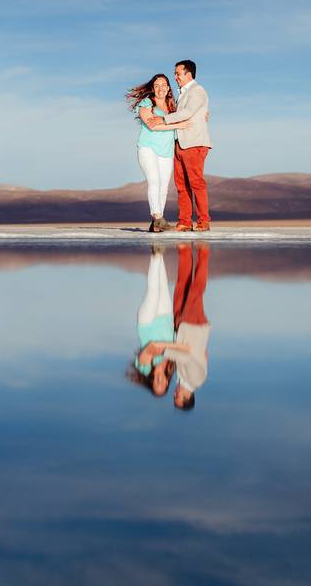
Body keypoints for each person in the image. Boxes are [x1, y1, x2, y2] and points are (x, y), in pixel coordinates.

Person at [145, 60, 212, 232]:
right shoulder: (182, 93)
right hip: (179, 144)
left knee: (196, 183)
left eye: (177, 73)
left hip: (193, 143)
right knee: (181, 185)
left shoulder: (197, 91)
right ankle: (185, 221)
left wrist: (163, 119)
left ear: (188, 74)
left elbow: (188, 112)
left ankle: (203, 221)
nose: (175, 77)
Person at [125, 74, 193, 233]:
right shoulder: (147, 103)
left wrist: (201, 117)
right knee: (154, 181)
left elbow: (187, 115)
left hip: (166, 151)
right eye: (157, 85)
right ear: (152, 88)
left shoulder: (173, 106)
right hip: (148, 148)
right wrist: (178, 125)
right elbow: (152, 126)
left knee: (164, 187)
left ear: (168, 88)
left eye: (163, 85)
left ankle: (157, 222)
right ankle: (158, 217)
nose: (160, 88)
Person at [127, 246, 189, 396]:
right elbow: (186, 350)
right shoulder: (171, 366)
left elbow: (152, 346)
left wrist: (174, 347)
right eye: (163, 385)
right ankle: (159, 251)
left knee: (153, 290)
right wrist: (175, 347)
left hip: (147, 322)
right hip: (166, 318)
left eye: (156, 384)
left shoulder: (145, 367)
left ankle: (155, 253)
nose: (160, 382)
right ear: (167, 383)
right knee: (163, 284)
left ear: (152, 382)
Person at [164, 242, 211, 411]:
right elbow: (187, 355)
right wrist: (162, 351)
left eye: (175, 396)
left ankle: (184, 251)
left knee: (181, 286)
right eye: (178, 397)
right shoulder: (196, 380)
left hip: (182, 326)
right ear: (187, 396)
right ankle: (203, 252)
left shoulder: (182, 378)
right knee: (195, 291)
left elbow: (202, 355)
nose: (175, 393)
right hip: (194, 327)